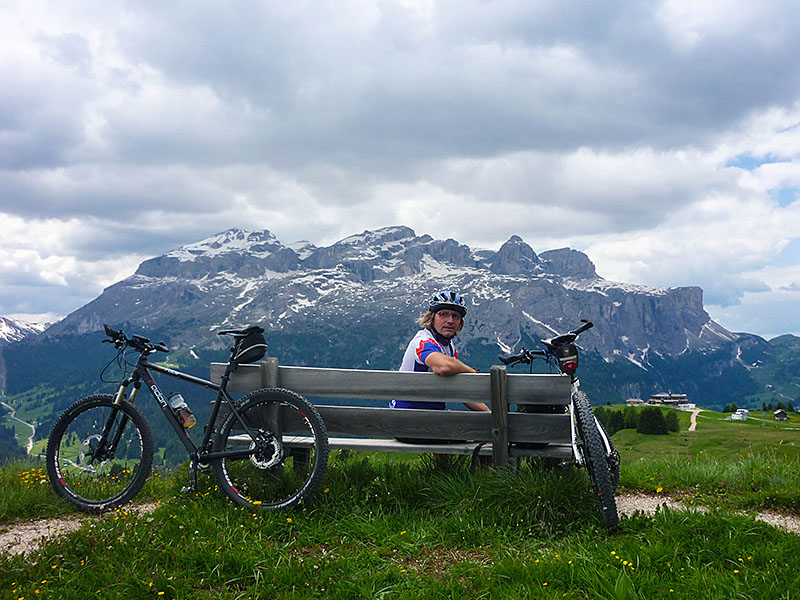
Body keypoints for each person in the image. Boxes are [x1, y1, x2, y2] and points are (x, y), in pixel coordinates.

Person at [391, 290, 490, 414]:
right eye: (443, 314)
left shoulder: (449, 347)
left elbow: (458, 389)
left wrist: (489, 413)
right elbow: (444, 367)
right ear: (431, 318)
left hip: (433, 417)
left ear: (460, 323)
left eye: (455, 316)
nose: (450, 320)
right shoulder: (423, 341)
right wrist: (473, 372)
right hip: (409, 418)